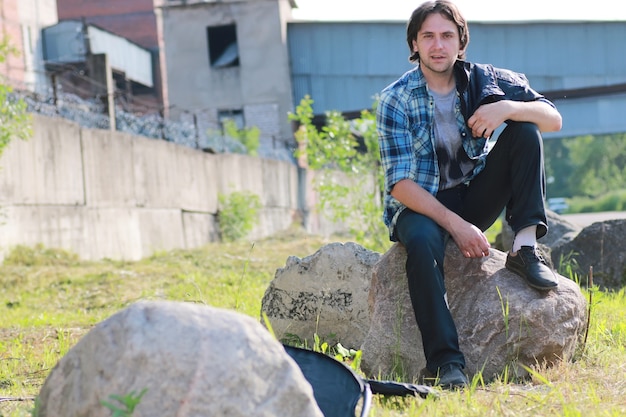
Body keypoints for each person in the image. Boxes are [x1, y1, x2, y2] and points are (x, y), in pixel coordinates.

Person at [376, 0, 562, 389]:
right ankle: (446, 364)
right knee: (424, 242)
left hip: (471, 194)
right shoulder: (396, 98)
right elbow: (400, 184)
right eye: (428, 36)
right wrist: (457, 226)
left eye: (447, 35)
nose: (438, 45)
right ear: (414, 44)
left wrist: (507, 109)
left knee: (525, 130)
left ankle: (524, 249)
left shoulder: (485, 80)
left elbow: (553, 119)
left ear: (461, 43)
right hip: (419, 206)